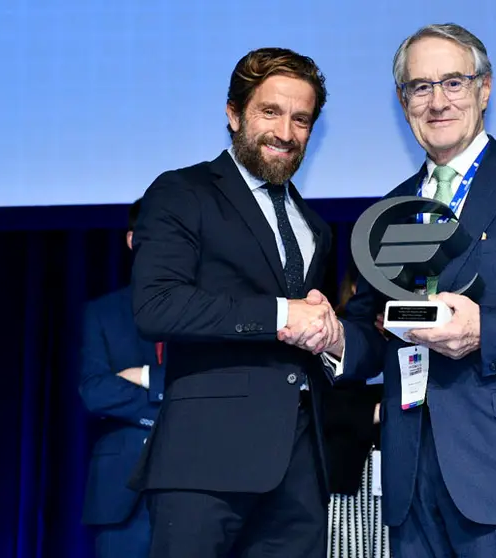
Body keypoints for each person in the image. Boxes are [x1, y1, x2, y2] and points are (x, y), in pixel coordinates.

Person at [283, 23, 496, 558]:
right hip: (410, 480)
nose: (437, 101)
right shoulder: (389, 210)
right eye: (420, 87)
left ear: (484, 89)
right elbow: (374, 329)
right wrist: (332, 336)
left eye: (453, 82)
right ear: (403, 103)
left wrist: (483, 330)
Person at [129, 47, 336, 557]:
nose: (286, 132)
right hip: (205, 463)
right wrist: (283, 313)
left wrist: (329, 335)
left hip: (300, 470)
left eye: (301, 119)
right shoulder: (183, 192)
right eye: (270, 112)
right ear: (233, 113)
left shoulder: (316, 227)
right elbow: (156, 306)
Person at [79, 198, 164, 558]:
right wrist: (168, 405)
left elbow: (214, 385)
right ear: (132, 240)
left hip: (194, 486)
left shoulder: (210, 310)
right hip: (121, 491)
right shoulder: (102, 312)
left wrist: (147, 377)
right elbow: (94, 390)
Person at [322, 266, 390, 558]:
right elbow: (324, 406)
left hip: (396, 472)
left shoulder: (418, 343)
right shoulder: (336, 337)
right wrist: (376, 412)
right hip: (349, 475)